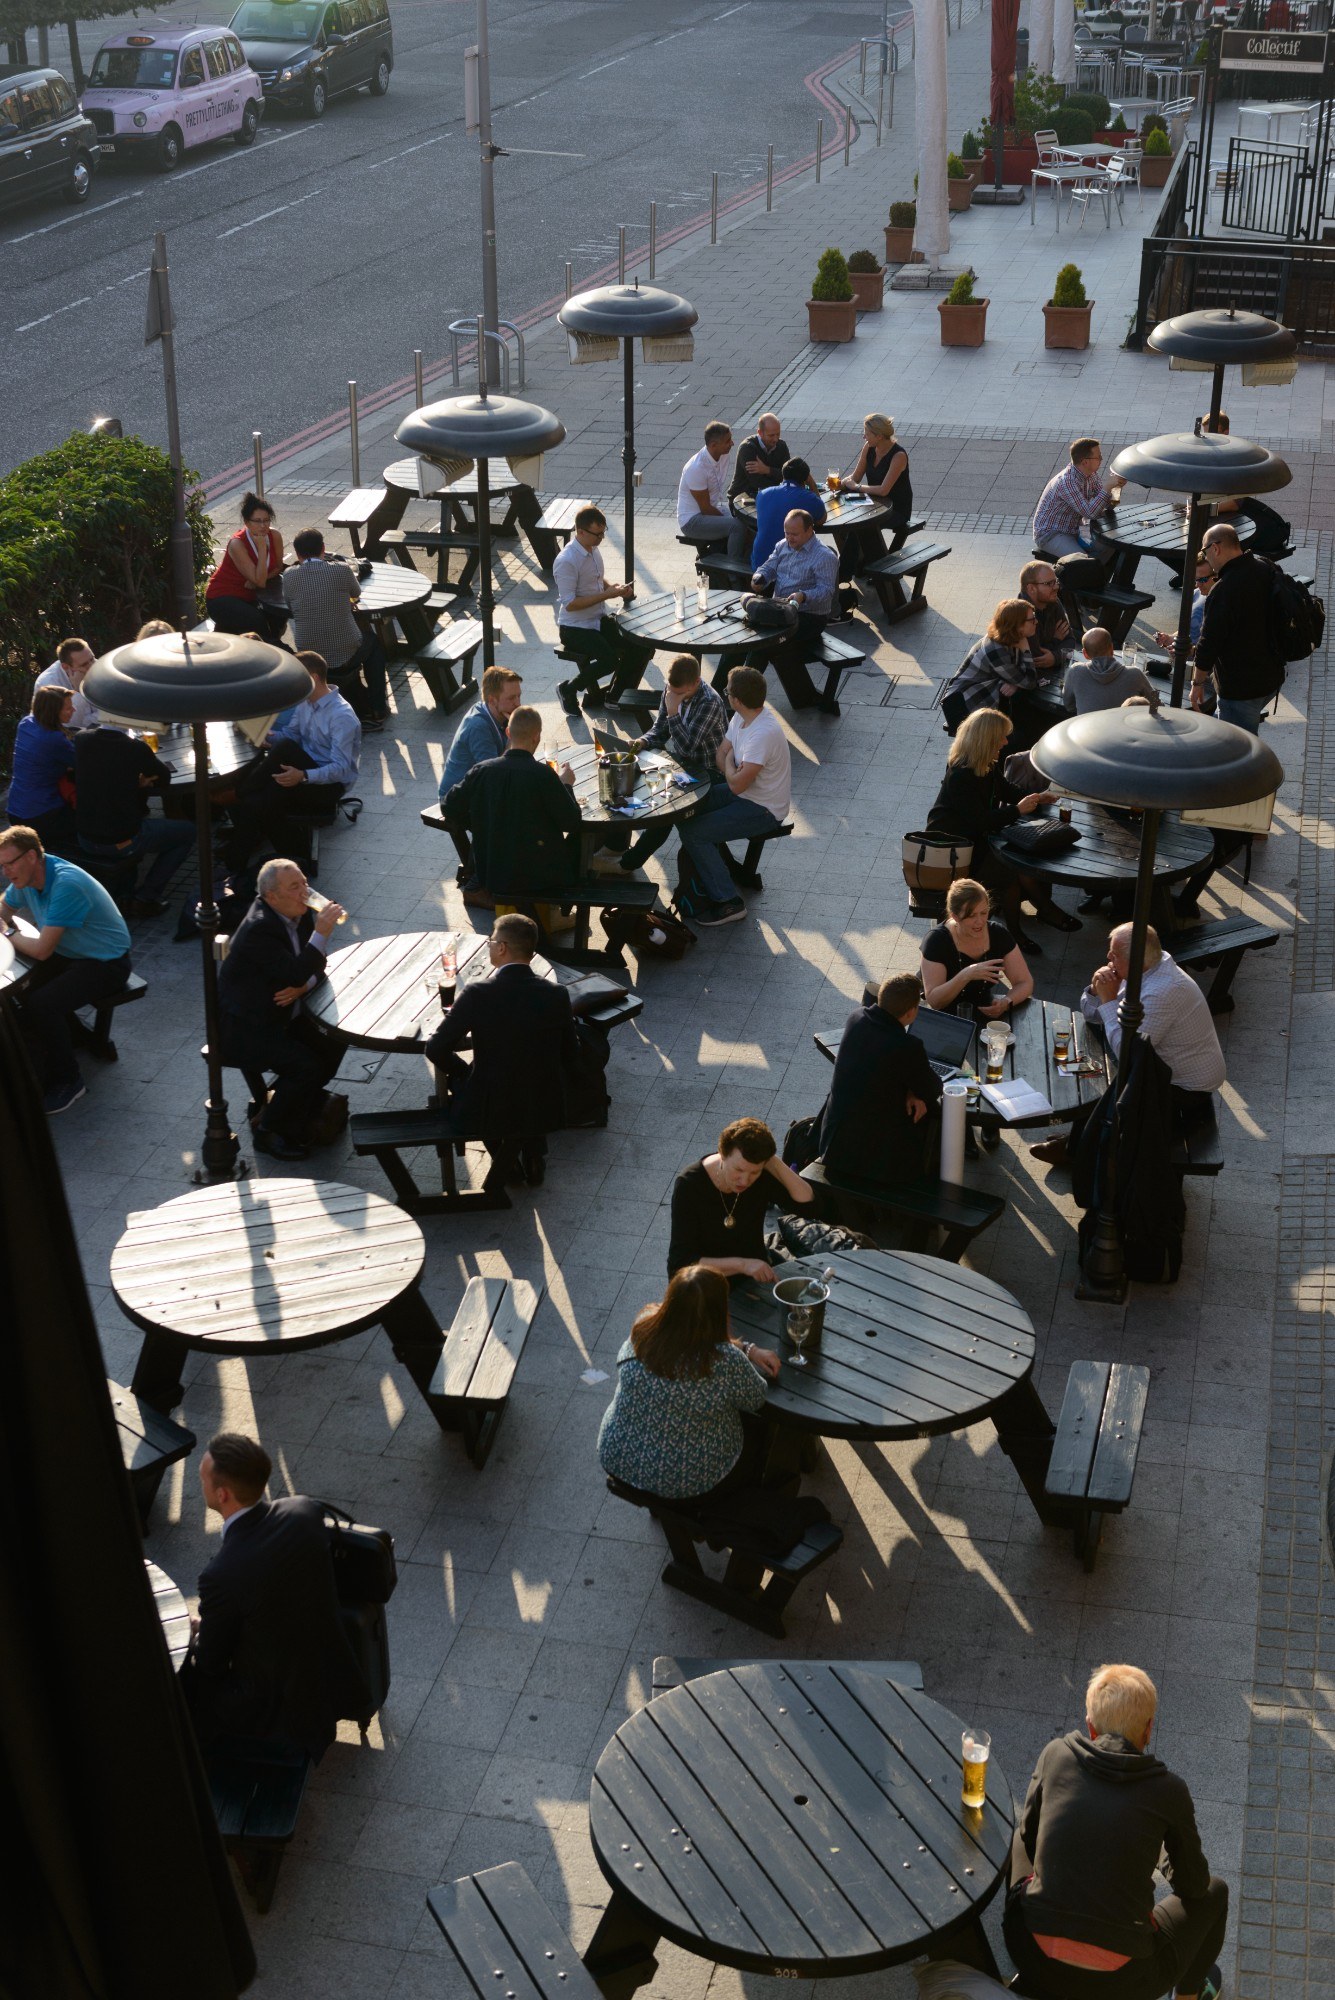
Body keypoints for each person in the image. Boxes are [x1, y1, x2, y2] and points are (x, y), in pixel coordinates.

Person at [1004, 1662, 1228, 2000]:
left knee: (1019, 1837)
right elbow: (1193, 1886)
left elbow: (1032, 1839)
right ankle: (1190, 1996)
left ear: (1090, 1727)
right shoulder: (1168, 1791)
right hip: (1121, 1984)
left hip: (1031, 1955)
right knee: (1215, 1892)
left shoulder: (1056, 1754)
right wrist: (1161, 1845)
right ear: (1148, 1730)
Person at [179, 1432, 371, 1762]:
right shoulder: (305, 1511)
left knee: (184, 1676)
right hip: (328, 1673)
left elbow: (211, 1662)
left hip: (273, 1709)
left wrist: (197, 1633)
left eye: (202, 1478)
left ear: (222, 1494)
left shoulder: (221, 1575)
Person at [1031, 924, 1226, 1166]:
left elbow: (1129, 1052)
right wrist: (1095, 991)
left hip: (1183, 1088)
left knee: (1105, 1079)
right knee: (1090, 1064)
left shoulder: (1161, 992)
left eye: (1114, 955)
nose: (1108, 958)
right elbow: (1094, 1016)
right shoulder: (1148, 967)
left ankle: (1077, 1150)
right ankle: (1081, 1137)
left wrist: (1108, 1000)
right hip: (1160, 1065)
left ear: (1135, 961)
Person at [597, 1264, 782, 1505]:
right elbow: (756, 1398)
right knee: (764, 1427)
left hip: (618, 1457)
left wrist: (749, 1349)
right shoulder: (725, 1361)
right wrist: (745, 1354)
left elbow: (692, 1336)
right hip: (690, 1482)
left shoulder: (644, 1328)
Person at [423, 911, 579, 1186]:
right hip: (542, 1102)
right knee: (527, 1084)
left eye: (492, 942)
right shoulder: (557, 994)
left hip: (491, 1103)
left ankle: (505, 1162)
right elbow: (571, 1054)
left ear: (503, 948)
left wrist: (464, 1073)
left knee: (473, 1089)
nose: (489, 946)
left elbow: (436, 1048)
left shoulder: (478, 993)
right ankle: (532, 1156)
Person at [216, 857, 346, 1161]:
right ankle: (270, 1131)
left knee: (335, 1039)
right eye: (294, 886)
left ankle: (291, 1102)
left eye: (304, 883)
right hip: (247, 1027)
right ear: (271, 896)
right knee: (306, 1066)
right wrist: (322, 937)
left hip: (282, 1016)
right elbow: (302, 968)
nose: (304, 891)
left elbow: (313, 967)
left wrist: (304, 984)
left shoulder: (297, 913)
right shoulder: (260, 928)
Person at [0, 823, 132, 1114]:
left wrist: (8, 933)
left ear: (33, 856)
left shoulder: (65, 885)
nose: (6, 872)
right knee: (18, 994)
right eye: (2, 866)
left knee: (43, 1005)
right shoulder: (28, 877)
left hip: (106, 962)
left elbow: (41, 949)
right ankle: (71, 1040)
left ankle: (69, 1081)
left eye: (10, 864)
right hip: (71, 953)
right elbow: (3, 909)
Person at [925, 710, 1074, 949]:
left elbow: (1005, 790)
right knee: (1010, 874)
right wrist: (1018, 810)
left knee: (1015, 866)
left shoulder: (984, 763)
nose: (1006, 742)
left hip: (976, 840)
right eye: (1001, 737)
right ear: (986, 739)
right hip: (955, 851)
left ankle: (1033, 920)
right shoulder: (961, 775)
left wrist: (1036, 797)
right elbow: (980, 820)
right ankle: (1030, 923)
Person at [223, 653, 361, 874]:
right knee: (260, 803)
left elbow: (341, 769)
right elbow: (291, 734)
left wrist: (303, 775)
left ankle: (241, 792)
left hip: (328, 785)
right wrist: (263, 735)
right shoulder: (305, 703)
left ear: (313, 678)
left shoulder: (341, 716)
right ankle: (248, 861)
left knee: (279, 758)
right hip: (304, 769)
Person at [677, 666, 791, 927]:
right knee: (688, 810)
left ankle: (729, 902)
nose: (725, 694)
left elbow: (736, 781)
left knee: (695, 832)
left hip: (763, 809)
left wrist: (729, 764)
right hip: (743, 794)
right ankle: (719, 871)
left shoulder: (762, 734)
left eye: (727, 691)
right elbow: (722, 754)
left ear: (736, 699)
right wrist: (731, 767)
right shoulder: (742, 717)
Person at [817, 973, 943, 1185]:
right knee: (935, 1114)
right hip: (868, 1161)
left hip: (834, 1143)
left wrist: (912, 1089)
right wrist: (916, 1091)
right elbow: (933, 1088)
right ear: (912, 1012)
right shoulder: (907, 1046)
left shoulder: (856, 1018)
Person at [444, 705, 582, 899]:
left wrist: (482, 821)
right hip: (539, 877)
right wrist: (566, 785)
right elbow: (572, 822)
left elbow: (449, 806)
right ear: (537, 736)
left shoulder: (481, 771)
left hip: (492, 874)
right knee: (586, 838)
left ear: (508, 732)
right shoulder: (544, 776)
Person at [618, 655, 729, 875]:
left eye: (681, 693)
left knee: (666, 808)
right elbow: (660, 730)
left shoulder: (710, 702)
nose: (674, 695)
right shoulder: (672, 690)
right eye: (671, 690)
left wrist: (672, 711)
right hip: (684, 768)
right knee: (627, 780)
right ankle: (615, 846)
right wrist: (642, 741)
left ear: (697, 682)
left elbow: (688, 747)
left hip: (710, 773)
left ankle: (627, 864)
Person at [74, 718, 195, 918]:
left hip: (85, 835)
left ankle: (126, 888)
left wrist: (129, 781)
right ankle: (145, 898)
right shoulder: (135, 748)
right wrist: (140, 781)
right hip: (121, 839)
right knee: (189, 832)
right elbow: (164, 778)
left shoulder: (82, 739)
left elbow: (101, 772)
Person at [667, 1117, 815, 1280]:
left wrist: (772, 1161)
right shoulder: (690, 1185)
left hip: (754, 1275)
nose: (745, 1181)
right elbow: (681, 1263)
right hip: (705, 1282)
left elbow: (808, 1204)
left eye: (754, 1172)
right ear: (722, 1154)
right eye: (738, 1170)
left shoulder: (762, 1175)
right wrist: (743, 1265)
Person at [281, 529, 388, 727]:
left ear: (297, 554)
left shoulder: (289, 576)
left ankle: (361, 697)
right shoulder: (341, 570)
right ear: (323, 549)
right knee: (373, 644)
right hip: (347, 649)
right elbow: (355, 593)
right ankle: (378, 708)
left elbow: (289, 604)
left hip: (310, 653)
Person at [437, 666, 524, 904]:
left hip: (477, 790)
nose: (518, 703)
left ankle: (506, 875)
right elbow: (493, 773)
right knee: (501, 818)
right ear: (492, 699)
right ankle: (474, 887)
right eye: (511, 698)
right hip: (456, 798)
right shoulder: (479, 726)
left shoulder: (499, 715)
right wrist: (516, 738)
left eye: (519, 696)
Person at [1191, 523, 1285, 733]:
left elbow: (1209, 643)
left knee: (1235, 751)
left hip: (1242, 688)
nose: (1205, 557)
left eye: (1204, 551)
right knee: (1230, 733)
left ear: (1215, 548)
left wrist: (1197, 683)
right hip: (1272, 676)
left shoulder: (1223, 590)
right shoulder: (1265, 566)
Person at [745, 509, 841, 713]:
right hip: (780, 610)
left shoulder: (824, 557)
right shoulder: (782, 546)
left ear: (809, 531)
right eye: (786, 533)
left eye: (794, 534)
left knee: (764, 643)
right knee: (754, 637)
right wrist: (759, 578)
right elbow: (768, 568)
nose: (789, 538)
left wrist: (803, 596)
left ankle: (740, 693)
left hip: (810, 617)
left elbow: (826, 592)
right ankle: (804, 697)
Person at [553, 504, 640, 716]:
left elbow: (598, 579)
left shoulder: (592, 549)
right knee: (608, 660)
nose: (601, 538)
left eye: (603, 533)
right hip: (574, 628)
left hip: (597, 619)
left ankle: (616, 694)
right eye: (597, 534)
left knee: (639, 644)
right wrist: (607, 595)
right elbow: (570, 604)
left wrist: (615, 589)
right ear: (580, 532)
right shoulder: (566, 561)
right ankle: (569, 688)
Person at [921, 878, 1035, 1022]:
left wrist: (1006, 1002)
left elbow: (1025, 982)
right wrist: (966, 975)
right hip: (943, 1018)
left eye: (983, 913)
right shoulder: (937, 941)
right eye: (972, 915)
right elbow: (935, 1001)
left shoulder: (998, 934)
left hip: (984, 1013)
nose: (980, 921)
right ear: (955, 916)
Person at [942, 600, 1046, 722]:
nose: (1036, 622)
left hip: (986, 697)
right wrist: (1026, 651)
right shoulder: (996, 650)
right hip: (965, 706)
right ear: (1017, 625)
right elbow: (1029, 682)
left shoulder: (1012, 638)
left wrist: (1015, 683)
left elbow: (1021, 676)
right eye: (1032, 619)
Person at [205, 491, 288, 640]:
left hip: (253, 595)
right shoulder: (237, 543)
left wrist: (257, 581)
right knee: (258, 623)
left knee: (277, 619)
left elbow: (277, 567)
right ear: (247, 522)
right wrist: (262, 549)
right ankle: (285, 654)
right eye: (257, 521)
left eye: (267, 520)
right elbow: (261, 582)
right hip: (223, 596)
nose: (263, 526)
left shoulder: (275, 536)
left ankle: (274, 648)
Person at [839, 412, 915, 574]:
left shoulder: (898, 456)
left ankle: (843, 573)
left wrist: (856, 487)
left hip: (895, 509)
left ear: (879, 436)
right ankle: (860, 565)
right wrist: (842, 483)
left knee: (859, 526)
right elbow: (856, 476)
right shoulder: (869, 448)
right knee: (845, 519)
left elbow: (883, 490)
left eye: (867, 434)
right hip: (874, 505)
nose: (864, 437)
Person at [7, 687, 76, 852]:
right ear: (54, 712)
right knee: (90, 817)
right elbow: (80, 763)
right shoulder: (54, 739)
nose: (73, 710)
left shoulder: (25, 724)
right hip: (42, 815)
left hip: (15, 810)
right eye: (68, 707)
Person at [1033, 437, 1125, 558]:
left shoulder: (1091, 475)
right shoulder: (1067, 482)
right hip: (1051, 534)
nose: (1101, 459)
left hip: (1074, 530)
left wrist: (1116, 487)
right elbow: (1090, 513)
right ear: (1085, 461)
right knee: (1082, 561)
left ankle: (1097, 576)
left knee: (1114, 545)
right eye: (1098, 457)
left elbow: (1107, 505)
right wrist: (1107, 487)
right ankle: (1089, 574)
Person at [750, 457, 827, 570]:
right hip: (789, 568)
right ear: (805, 478)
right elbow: (822, 519)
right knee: (829, 553)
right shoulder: (808, 498)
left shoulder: (762, 494)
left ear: (783, 475)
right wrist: (812, 484)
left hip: (760, 564)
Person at [677, 421, 742, 552]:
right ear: (713, 445)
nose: (732, 443)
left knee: (744, 518)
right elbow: (705, 508)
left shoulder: (723, 455)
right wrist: (727, 518)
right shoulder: (696, 468)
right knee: (737, 526)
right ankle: (733, 569)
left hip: (710, 510)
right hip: (692, 521)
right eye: (728, 441)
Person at [1064, 628, 1157, 715]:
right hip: (1124, 731)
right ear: (1112, 648)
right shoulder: (1135, 674)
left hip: (1087, 731)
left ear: (1085, 654)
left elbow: (1069, 706)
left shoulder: (1075, 672)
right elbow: (1156, 706)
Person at [1019, 560, 1076, 674]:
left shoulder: (1053, 601)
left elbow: (1070, 641)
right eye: (1049, 583)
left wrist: (1055, 657)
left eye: (1056, 582)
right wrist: (1056, 640)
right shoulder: (1020, 613)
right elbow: (1037, 657)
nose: (1056, 587)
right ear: (1031, 589)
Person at [34, 635, 99, 730]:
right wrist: (78, 691)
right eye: (84, 664)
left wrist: (89, 720)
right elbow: (70, 724)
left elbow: (111, 709)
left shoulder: (98, 666)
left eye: (92, 659)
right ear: (66, 667)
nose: (92, 666)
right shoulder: (48, 684)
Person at [727, 412, 789, 502]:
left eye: (778, 434)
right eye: (771, 435)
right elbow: (757, 482)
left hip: (770, 496)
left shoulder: (781, 446)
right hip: (742, 500)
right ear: (760, 433)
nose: (776, 439)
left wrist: (767, 470)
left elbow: (789, 475)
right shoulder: (747, 448)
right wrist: (779, 481)